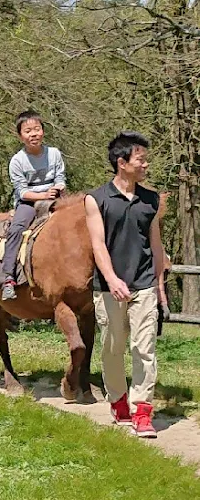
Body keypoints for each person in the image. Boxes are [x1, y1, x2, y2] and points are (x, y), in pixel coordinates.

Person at [85, 130, 169, 438]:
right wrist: (111, 279)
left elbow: (156, 245)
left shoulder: (151, 200)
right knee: (113, 349)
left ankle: (143, 411)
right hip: (109, 287)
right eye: (141, 160)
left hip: (144, 284)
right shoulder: (96, 199)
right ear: (122, 162)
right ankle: (118, 400)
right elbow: (98, 245)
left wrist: (159, 287)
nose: (146, 165)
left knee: (144, 348)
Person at [1, 110, 66, 301]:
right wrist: (42, 195)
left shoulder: (54, 154)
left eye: (37, 129)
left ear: (43, 131)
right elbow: (21, 191)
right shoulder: (17, 161)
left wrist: (58, 188)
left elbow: (61, 177)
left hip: (55, 199)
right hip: (28, 203)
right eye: (28, 131)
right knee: (16, 229)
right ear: (20, 136)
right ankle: (8, 278)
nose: (33, 134)